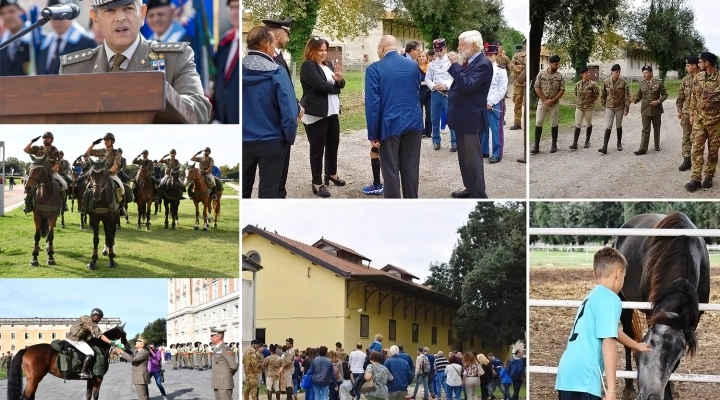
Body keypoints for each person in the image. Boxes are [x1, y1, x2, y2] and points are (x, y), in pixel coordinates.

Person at [59, 0, 211, 124]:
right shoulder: (74, 69)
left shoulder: (176, 58)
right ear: (95, 20)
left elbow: (198, 109)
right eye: (110, 10)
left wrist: (160, 96)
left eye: (128, 8)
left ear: (142, 14)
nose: (120, 18)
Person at [555, 248, 652, 400]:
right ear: (619, 274)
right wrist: (612, 390)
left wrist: (636, 345)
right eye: (624, 277)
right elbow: (608, 342)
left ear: (595, 274)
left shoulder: (591, 297)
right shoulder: (610, 299)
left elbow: (610, 330)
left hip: (567, 375)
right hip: (585, 376)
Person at [365, 35, 424, 198]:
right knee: (411, 168)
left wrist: (373, 133)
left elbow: (373, 104)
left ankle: (393, 206)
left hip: (389, 124)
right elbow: (416, 89)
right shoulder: (413, 65)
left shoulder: (374, 69)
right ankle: (412, 202)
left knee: (390, 170)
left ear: (381, 48)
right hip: (413, 122)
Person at [242, 26, 298, 198]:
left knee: (242, 192)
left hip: (242, 142)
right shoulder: (277, 72)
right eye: (274, 45)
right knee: (269, 193)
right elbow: (289, 113)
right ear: (267, 44)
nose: (275, 49)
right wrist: (288, 139)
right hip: (272, 141)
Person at [447, 30, 493, 199]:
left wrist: (455, 65)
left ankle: (479, 193)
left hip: (471, 118)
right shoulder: (468, 61)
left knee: (473, 160)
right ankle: (470, 188)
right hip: (461, 117)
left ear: (474, 46)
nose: (459, 47)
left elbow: (467, 85)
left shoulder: (483, 64)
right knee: (464, 159)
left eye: (462, 44)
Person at [300, 36, 346, 198]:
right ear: (311, 50)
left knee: (333, 145)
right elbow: (319, 85)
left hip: (332, 112)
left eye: (325, 50)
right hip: (316, 114)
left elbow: (340, 82)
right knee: (317, 149)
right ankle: (317, 182)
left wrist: (339, 82)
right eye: (320, 50)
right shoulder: (307, 66)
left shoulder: (328, 65)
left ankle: (331, 174)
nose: (323, 53)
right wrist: (337, 87)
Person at [686, 51, 720, 191]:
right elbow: (693, 96)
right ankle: (695, 179)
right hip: (699, 119)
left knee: (713, 151)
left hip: (715, 121)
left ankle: (709, 176)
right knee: (696, 149)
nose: (698, 64)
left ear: (707, 63)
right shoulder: (698, 77)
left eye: (700, 62)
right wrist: (692, 113)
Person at [37, 0, 96, 75]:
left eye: (62, 15)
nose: (58, 20)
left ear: (71, 14)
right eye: (54, 16)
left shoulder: (87, 42)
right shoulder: (44, 43)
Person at [23, 132, 69, 213]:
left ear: (51, 140)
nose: (46, 139)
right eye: (44, 137)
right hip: (38, 172)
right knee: (28, 185)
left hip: (51, 173)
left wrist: (51, 171)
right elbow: (26, 150)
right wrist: (32, 141)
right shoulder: (38, 148)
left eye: (48, 138)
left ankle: (64, 204)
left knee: (64, 185)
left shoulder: (55, 150)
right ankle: (27, 204)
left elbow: (57, 163)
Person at [425, 38, 457, 151]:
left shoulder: (450, 62)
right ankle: (436, 141)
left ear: (445, 49)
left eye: (441, 50)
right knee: (434, 118)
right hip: (435, 93)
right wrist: (433, 86)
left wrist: (445, 85)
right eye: (436, 50)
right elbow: (427, 78)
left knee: (451, 117)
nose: (439, 52)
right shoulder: (432, 64)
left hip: (447, 93)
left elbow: (453, 77)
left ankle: (454, 142)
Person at [64, 308, 113, 379]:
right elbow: (100, 335)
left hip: (68, 337)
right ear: (95, 316)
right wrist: (111, 342)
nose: (100, 320)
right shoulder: (91, 323)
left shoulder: (84, 317)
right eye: (100, 318)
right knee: (90, 353)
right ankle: (82, 372)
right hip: (76, 340)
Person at [86, 132, 127, 216]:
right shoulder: (101, 151)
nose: (105, 141)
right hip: (100, 176)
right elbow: (87, 154)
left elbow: (116, 164)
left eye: (108, 140)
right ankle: (86, 206)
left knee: (122, 188)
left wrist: (108, 172)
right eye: (105, 140)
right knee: (87, 188)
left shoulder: (116, 152)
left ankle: (122, 208)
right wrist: (93, 144)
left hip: (112, 175)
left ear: (112, 141)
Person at [531, 55, 565, 154]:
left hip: (554, 103)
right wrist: (545, 99)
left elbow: (562, 90)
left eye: (558, 64)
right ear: (550, 64)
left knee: (554, 123)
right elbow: (537, 87)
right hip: (543, 102)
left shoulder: (560, 76)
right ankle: (536, 145)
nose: (557, 66)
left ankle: (554, 144)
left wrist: (553, 100)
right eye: (556, 64)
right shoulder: (541, 74)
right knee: (539, 121)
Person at [631, 65, 667, 155]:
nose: (644, 75)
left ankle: (657, 145)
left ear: (651, 73)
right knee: (645, 129)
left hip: (656, 109)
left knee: (656, 128)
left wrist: (658, 101)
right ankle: (643, 149)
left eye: (646, 73)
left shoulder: (658, 83)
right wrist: (634, 99)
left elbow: (665, 95)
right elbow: (640, 95)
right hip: (645, 109)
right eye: (643, 73)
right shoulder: (642, 83)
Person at [213, 0, 240, 124]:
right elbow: (219, 79)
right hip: (223, 116)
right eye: (232, 8)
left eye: (238, 7)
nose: (234, 13)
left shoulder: (251, 42)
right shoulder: (225, 41)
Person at [481, 43, 508, 163]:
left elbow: (502, 89)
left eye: (490, 55)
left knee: (496, 130)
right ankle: (484, 151)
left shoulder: (501, 71)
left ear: (495, 55)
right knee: (483, 129)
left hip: (495, 103)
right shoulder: (480, 69)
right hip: (481, 102)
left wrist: (490, 102)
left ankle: (497, 154)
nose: (487, 57)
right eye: (486, 54)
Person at [598, 64, 631, 154]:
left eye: (619, 72)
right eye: (616, 72)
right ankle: (604, 147)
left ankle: (619, 143)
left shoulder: (623, 82)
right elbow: (603, 95)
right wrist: (603, 106)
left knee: (618, 125)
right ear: (612, 72)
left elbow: (627, 96)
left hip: (620, 107)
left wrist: (626, 108)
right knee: (608, 125)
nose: (618, 73)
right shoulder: (606, 82)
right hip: (610, 106)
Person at [677, 55, 700, 171]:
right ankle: (687, 161)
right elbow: (680, 97)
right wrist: (679, 110)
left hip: (700, 114)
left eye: (688, 65)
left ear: (694, 66)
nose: (686, 68)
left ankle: (698, 160)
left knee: (699, 138)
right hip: (686, 113)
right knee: (686, 137)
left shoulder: (703, 78)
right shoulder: (685, 80)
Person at [570, 65, 599, 150]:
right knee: (578, 124)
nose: (588, 74)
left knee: (588, 123)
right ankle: (575, 143)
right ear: (582, 74)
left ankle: (587, 140)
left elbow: (596, 95)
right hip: (579, 107)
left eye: (588, 72)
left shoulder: (593, 84)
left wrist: (590, 101)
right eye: (586, 73)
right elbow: (576, 93)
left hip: (589, 107)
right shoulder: (577, 84)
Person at [113, 335, 151, 400]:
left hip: (140, 377)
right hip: (139, 376)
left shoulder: (144, 352)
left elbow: (132, 359)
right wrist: (119, 345)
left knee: (142, 397)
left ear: (142, 345)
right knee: (143, 395)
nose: (136, 342)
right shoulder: (138, 351)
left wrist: (121, 351)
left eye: (137, 341)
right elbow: (128, 350)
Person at [0, 0, 31, 76]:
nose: (7, 17)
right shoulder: (2, 43)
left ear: (23, 12)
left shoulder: (38, 41)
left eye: (11, 11)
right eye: (3, 13)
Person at [211, 327, 239, 400]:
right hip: (218, 382)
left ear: (218, 337)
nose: (210, 338)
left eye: (212, 336)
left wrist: (227, 375)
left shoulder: (225, 349)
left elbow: (234, 366)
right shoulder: (218, 348)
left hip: (224, 382)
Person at [509, 39, 526, 131]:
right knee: (517, 103)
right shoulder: (517, 55)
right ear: (523, 45)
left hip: (528, 84)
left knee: (527, 104)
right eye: (526, 44)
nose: (527, 45)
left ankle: (527, 122)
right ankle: (517, 123)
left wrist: (521, 66)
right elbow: (511, 66)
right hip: (518, 83)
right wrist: (523, 67)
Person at [418, 51, 433, 139]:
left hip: (429, 93)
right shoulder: (415, 67)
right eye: (419, 56)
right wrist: (424, 83)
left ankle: (428, 132)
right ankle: (421, 131)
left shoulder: (430, 66)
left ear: (426, 57)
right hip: (419, 92)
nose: (421, 58)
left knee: (430, 113)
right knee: (419, 113)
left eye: (423, 56)